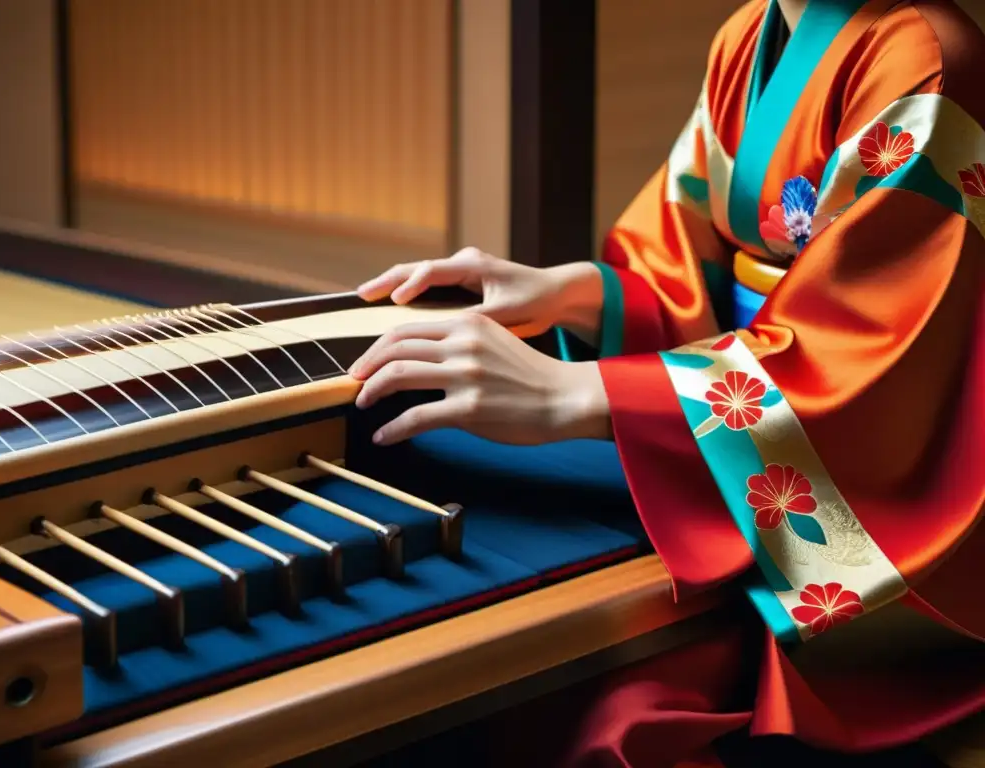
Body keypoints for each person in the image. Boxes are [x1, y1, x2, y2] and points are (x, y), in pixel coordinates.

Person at [350, 0, 985, 764]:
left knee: (616, 716)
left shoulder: (930, 58)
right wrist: (577, 291)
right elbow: (685, 262)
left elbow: (880, 363)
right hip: (757, 434)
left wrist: (584, 394)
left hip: (888, 492)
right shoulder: (749, 34)